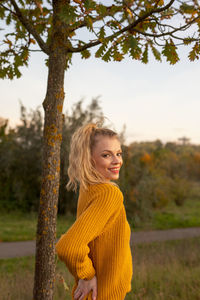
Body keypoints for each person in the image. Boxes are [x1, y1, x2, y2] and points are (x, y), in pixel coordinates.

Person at [56, 123, 133, 300]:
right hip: (102, 294)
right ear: (89, 159)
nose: (117, 161)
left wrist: (85, 276)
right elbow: (68, 247)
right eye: (106, 155)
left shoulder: (89, 188)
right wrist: (87, 274)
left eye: (118, 153)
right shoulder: (109, 194)